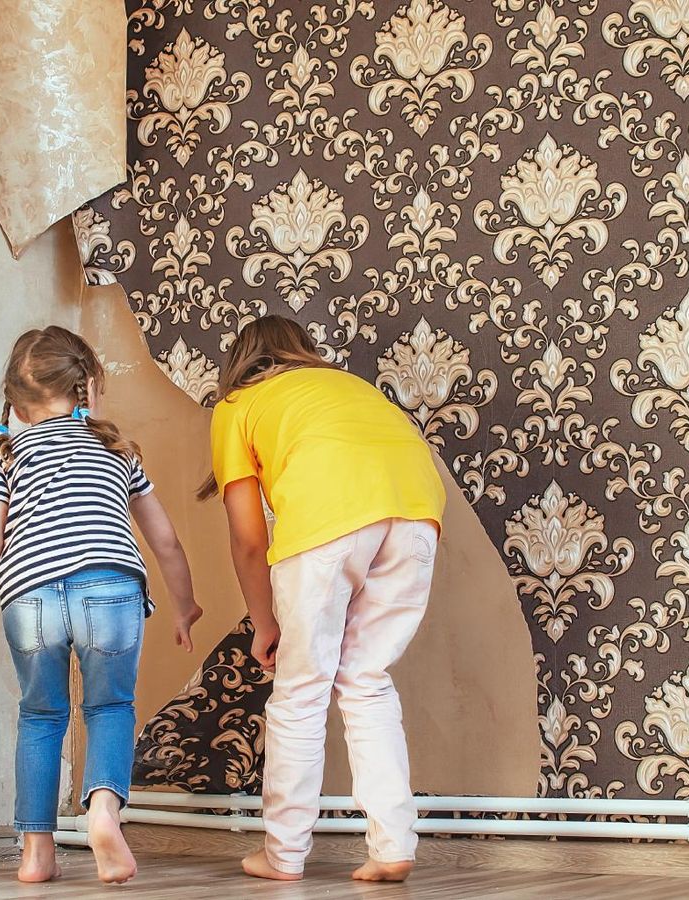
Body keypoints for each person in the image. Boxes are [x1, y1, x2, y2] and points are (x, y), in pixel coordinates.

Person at [0, 326, 201, 886]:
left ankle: (36, 853)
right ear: (89, 388)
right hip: (110, 588)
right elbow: (166, 541)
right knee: (109, 707)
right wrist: (184, 605)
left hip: (28, 596)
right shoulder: (117, 450)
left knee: (40, 714)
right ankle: (102, 811)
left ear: (16, 404)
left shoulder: (6, 455)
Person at [199, 315, 445, 883]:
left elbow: (248, 539)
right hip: (417, 515)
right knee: (367, 680)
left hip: (328, 521)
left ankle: (283, 855)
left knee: (301, 691)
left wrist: (264, 622)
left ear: (239, 364)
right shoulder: (349, 386)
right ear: (303, 351)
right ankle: (393, 846)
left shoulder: (238, 404)